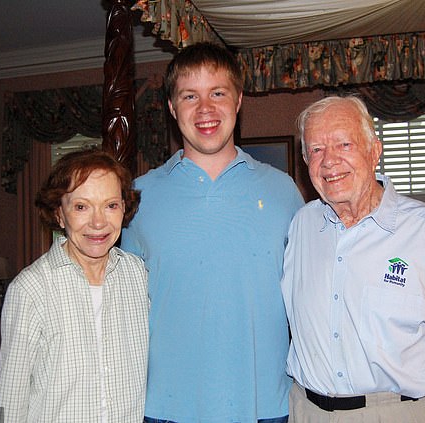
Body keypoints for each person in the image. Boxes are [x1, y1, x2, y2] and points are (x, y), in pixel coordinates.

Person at [120, 42, 305, 422]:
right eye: (190, 96)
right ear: (172, 109)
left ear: (238, 101)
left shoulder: (284, 191)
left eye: (218, 93)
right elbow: (118, 308)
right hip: (165, 408)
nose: (205, 109)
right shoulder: (137, 198)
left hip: (266, 406)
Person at [281, 95, 425, 422]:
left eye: (344, 144)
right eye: (316, 150)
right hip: (307, 411)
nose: (329, 161)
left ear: (374, 151)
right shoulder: (301, 228)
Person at [0, 149, 148, 422]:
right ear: (59, 215)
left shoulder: (138, 275)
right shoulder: (30, 289)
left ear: (124, 209)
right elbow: (9, 398)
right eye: (81, 206)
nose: (98, 222)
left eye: (110, 205)